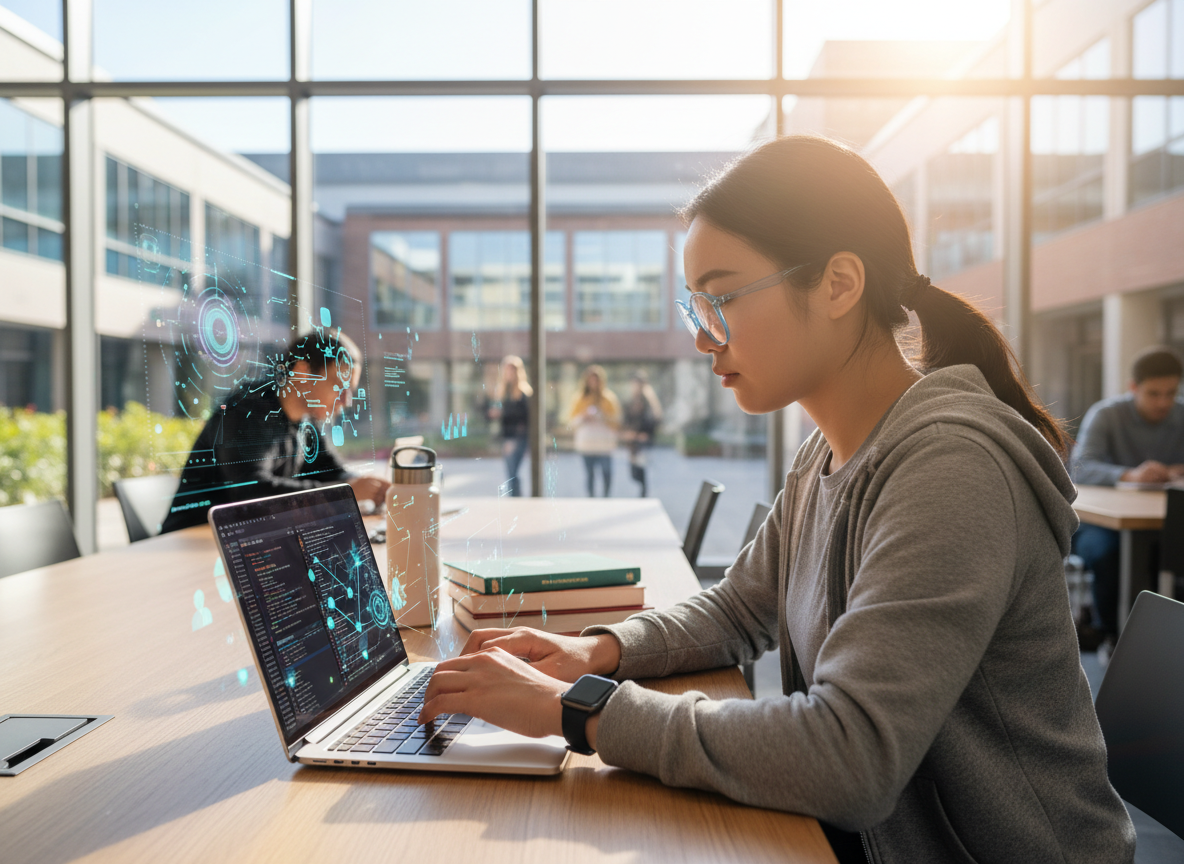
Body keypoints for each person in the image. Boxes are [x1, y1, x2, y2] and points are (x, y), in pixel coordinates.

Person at [418, 136, 1134, 863]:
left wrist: (578, 711)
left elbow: (848, 757)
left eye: (722, 298)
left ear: (839, 283)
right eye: (694, 305)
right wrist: (596, 652)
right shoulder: (826, 451)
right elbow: (739, 608)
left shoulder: (954, 466)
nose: (703, 336)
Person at [160, 330, 389, 533]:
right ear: (302, 371)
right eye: (339, 386)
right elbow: (250, 493)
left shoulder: (306, 421)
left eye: (350, 391)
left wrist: (371, 488)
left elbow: (331, 473)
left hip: (240, 538)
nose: (346, 401)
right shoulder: (246, 411)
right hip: (188, 538)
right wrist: (343, 493)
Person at [1069, 346, 1184, 644]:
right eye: (1153, 393)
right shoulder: (1106, 415)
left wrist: (1173, 471)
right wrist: (1129, 475)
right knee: (1111, 553)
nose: (1163, 402)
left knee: (1168, 552)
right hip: (1103, 523)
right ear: (1133, 387)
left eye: (1171, 393)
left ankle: (1165, 639)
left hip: (1163, 522)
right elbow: (1080, 469)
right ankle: (1115, 636)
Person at [566, 365, 620, 497]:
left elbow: (616, 421)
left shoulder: (608, 399)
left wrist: (602, 417)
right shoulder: (580, 399)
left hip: (604, 443)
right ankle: (591, 498)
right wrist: (583, 417)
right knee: (589, 474)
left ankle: (606, 497)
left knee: (607, 473)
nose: (593, 383)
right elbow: (572, 422)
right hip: (587, 443)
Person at [487, 355, 532, 497]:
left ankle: (516, 502)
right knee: (511, 474)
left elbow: (524, 419)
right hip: (507, 436)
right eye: (507, 370)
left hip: (517, 438)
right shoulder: (502, 392)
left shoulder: (523, 393)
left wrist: (513, 440)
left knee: (513, 474)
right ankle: (516, 501)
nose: (509, 373)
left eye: (512, 370)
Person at [621, 370, 662, 497]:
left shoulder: (649, 401)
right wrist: (627, 432)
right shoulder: (631, 400)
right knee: (633, 471)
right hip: (632, 442)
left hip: (643, 441)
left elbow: (654, 419)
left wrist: (645, 434)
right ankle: (642, 492)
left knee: (641, 469)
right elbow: (626, 419)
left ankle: (643, 494)